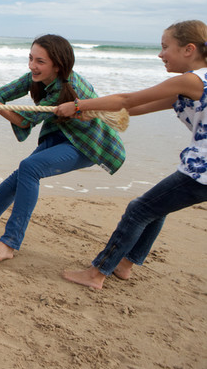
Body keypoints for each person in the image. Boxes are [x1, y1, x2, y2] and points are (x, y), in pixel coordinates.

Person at [57, 20, 207, 289]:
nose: (160, 54)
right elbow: (136, 108)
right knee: (154, 208)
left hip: (202, 170)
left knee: (138, 210)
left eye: (165, 47)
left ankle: (97, 273)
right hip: (201, 168)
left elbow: (126, 99)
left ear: (189, 49)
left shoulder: (192, 80)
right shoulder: (192, 85)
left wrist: (77, 104)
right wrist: (93, 111)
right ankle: (125, 264)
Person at [0, 34, 126, 262]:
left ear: (58, 65)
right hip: (62, 134)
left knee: (29, 168)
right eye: (31, 58)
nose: (33, 65)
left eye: (40, 61)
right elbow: (0, 95)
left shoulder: (68, 88)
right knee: (19, 177)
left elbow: (24, 120)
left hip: (88, 144)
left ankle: (9, 244)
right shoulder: (35, 77)